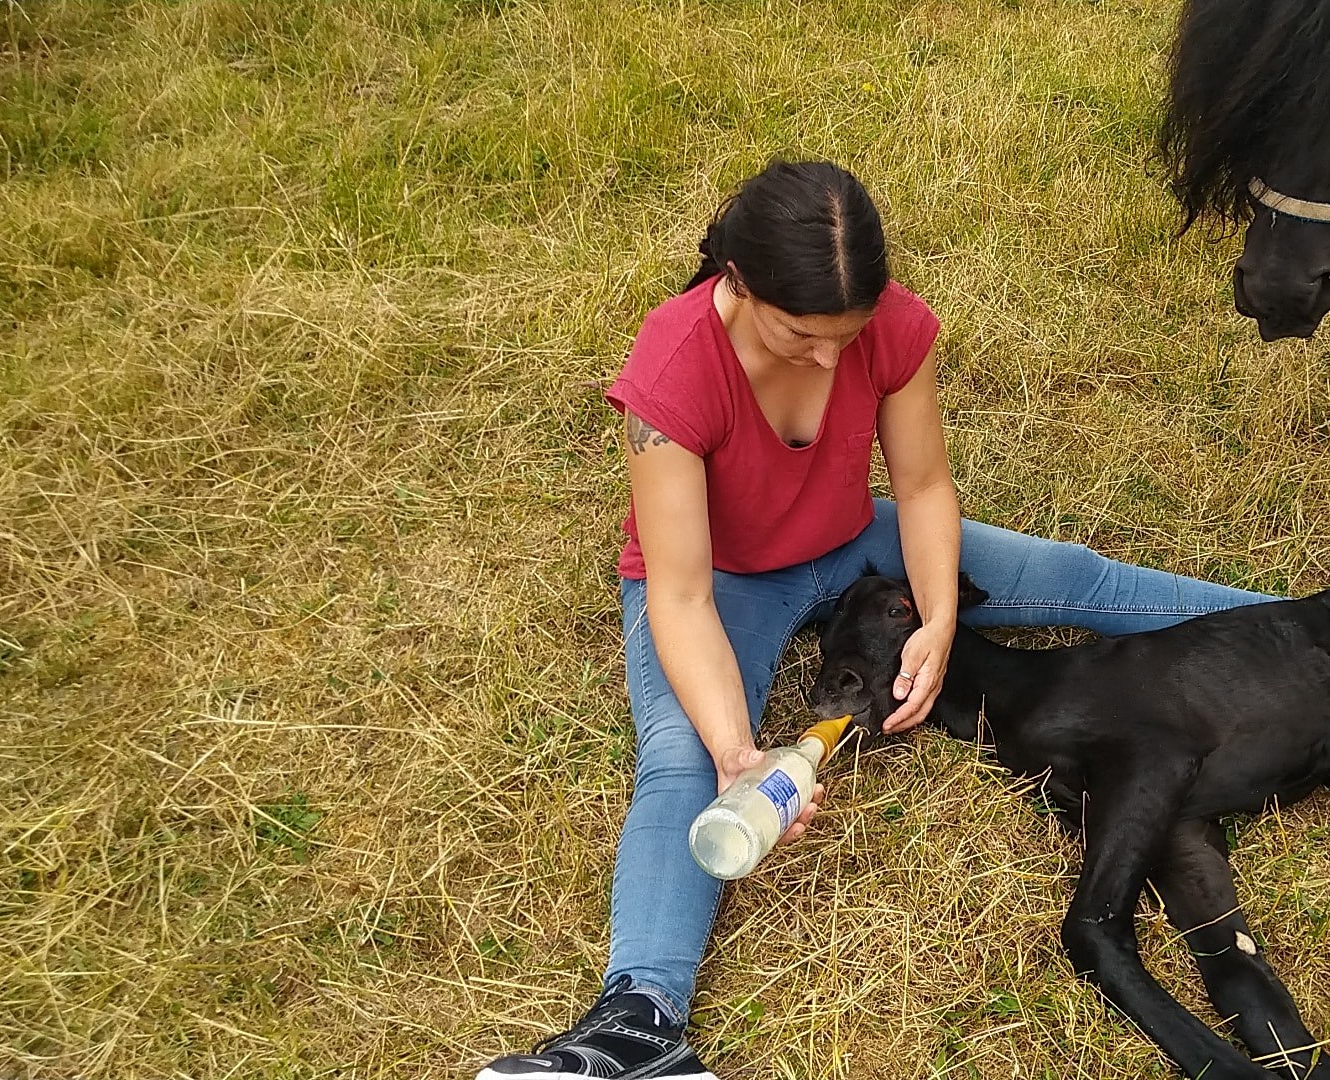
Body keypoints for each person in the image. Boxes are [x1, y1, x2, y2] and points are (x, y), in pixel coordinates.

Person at [474, 160, 1277, 1080]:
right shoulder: (673, 367)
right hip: (726, 581)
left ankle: (1323, 624)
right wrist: (741, 753)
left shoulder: (890, 323)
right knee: (682, 758)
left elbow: (924, 484)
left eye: (845, 337)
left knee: (1071, 575)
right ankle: (636, 1025)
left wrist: (937, 619)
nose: (828, 357)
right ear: (738, 281)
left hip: (856, 538)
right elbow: (682, 594)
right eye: (801, 337)